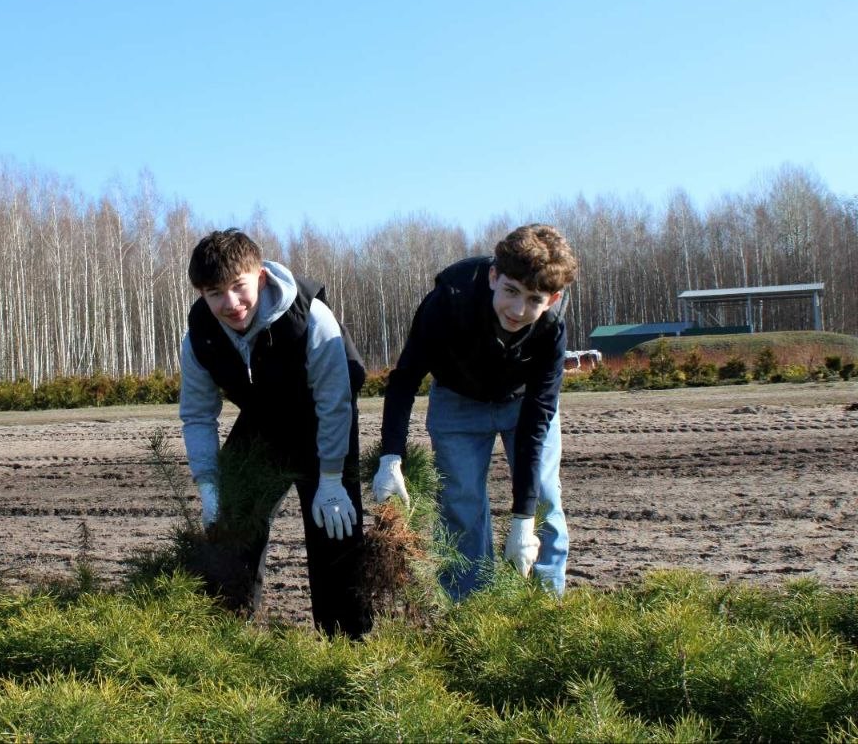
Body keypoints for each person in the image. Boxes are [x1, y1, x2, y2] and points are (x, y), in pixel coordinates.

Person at [179, 228, 371, 638]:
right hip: (263, 421)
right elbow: (197, 416)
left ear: (260, 277)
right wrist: (210, 486)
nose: (230, 304)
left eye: (238, 287)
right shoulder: (199, 337)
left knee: (334, 529)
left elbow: (335, 401)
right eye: (214, 293)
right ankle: (229, 635)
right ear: (201, 294)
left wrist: (332, 477)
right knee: (234, 523)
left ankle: (348, 645)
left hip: (323, 420)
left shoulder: (310, 317)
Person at [373, 224, 577, 601]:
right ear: (493, 276)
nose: (518, 310)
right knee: (461, 505)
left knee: (545, 502)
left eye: (534, 299)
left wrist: (521, 520)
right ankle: (470, 613)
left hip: (522, 405)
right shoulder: (448, 303)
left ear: (553, 299)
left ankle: (548, 610)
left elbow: (537, 420)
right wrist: (390, 457)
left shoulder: (551, 330)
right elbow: (404, 380)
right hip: (457, 402)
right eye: (511, 291)